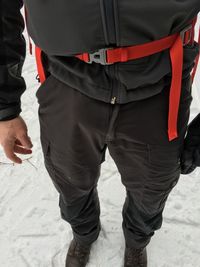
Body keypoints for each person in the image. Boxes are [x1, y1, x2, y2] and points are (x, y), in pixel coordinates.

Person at [0, 1, 200, 266]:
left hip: (159, 84)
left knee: (152, 186)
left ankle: (137, 239)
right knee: (69, 177)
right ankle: (84, 232)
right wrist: (5, 106)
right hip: (67, 79)